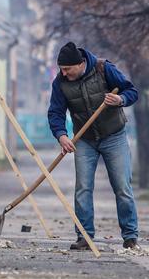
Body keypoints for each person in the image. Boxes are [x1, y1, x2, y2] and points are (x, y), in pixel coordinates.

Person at [47, 42, 140, 250]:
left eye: (67, 69)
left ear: (80, 64)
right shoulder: (60, 83)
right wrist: (62, 136)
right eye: (62, 69)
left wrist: (120, 99)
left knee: (122, 186)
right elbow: (55, 113)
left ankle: (130, 236)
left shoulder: (103, 68)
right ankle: (84, 237)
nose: (64, 73)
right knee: (83, 188)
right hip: (85, 140)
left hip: (114, 136)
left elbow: (131, 91)